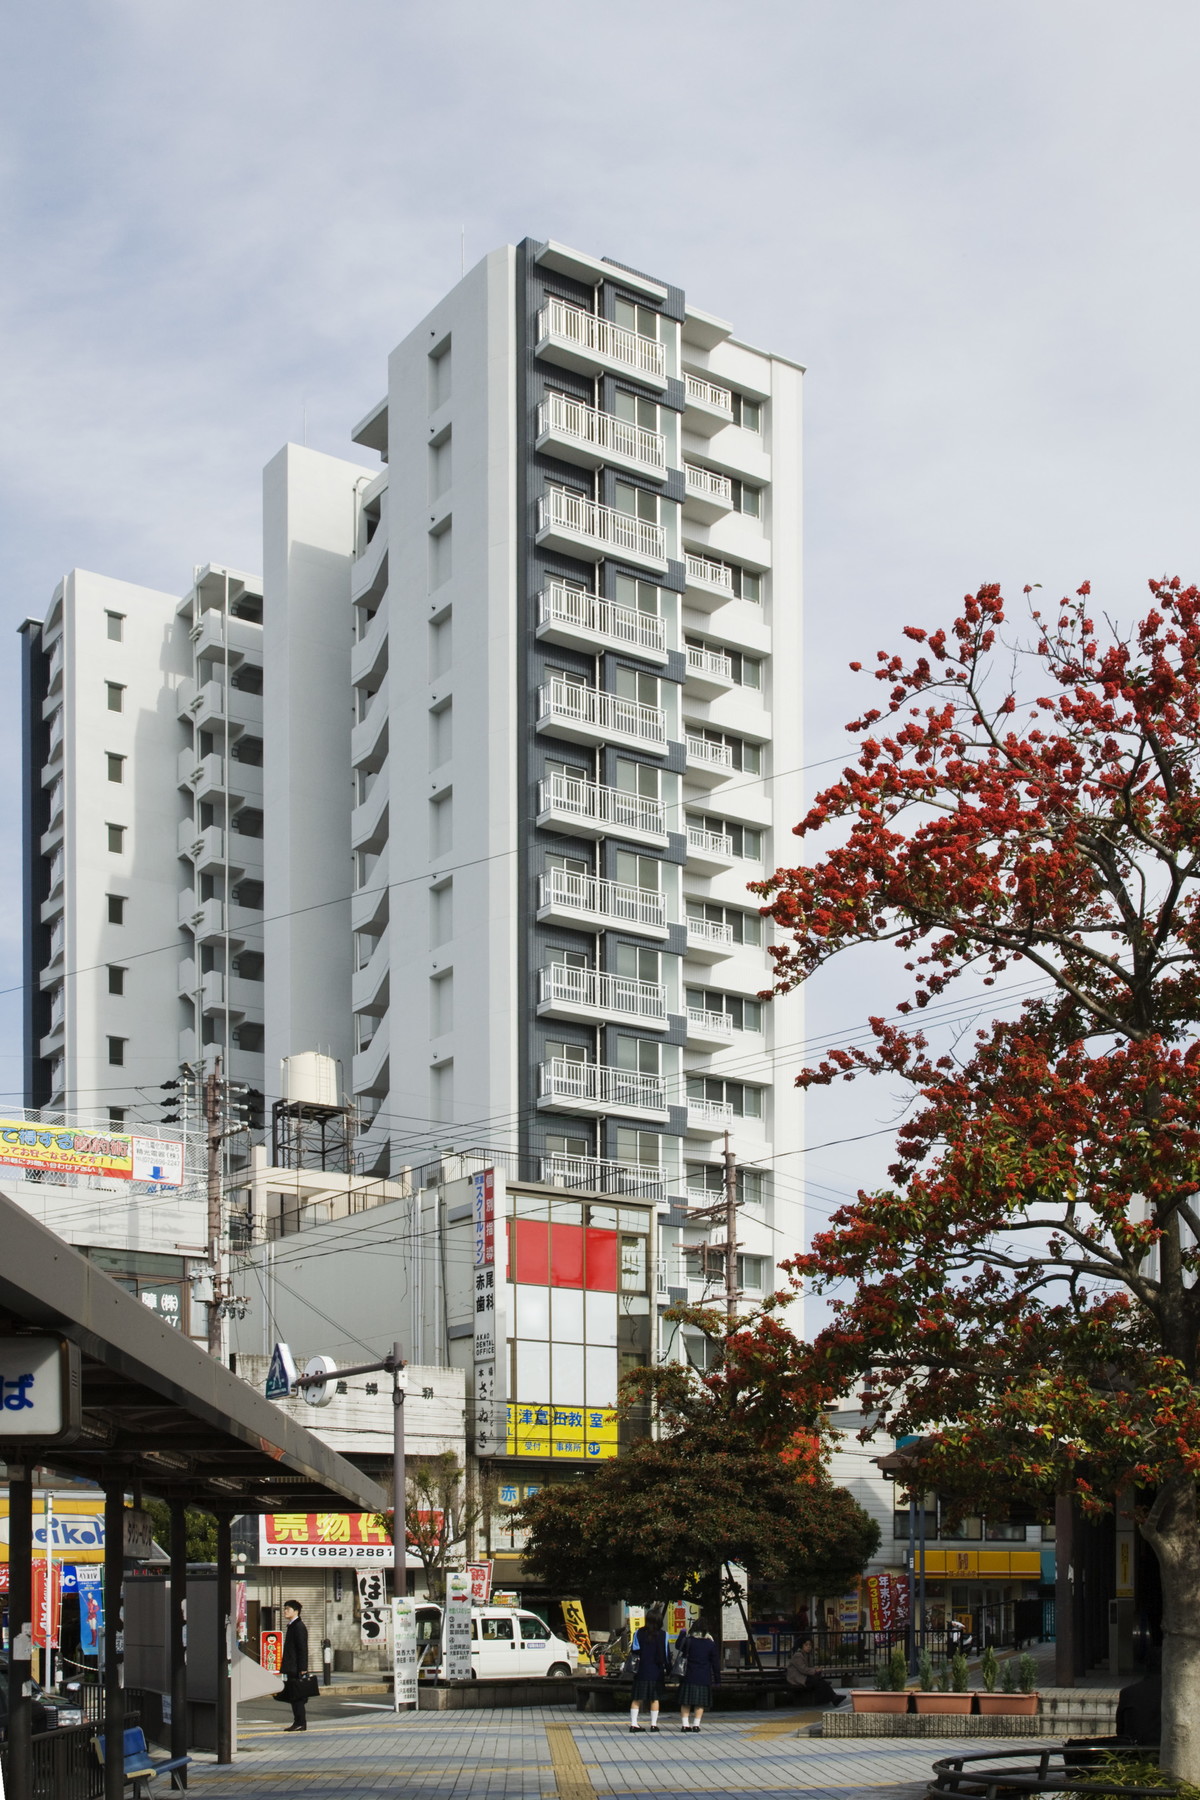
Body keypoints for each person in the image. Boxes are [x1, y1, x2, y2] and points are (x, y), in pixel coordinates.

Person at [677, 1619, 719, 1732]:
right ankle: (696, 1725)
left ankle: (685, 1725)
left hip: (688, 1675)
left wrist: (682, 1633)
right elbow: (715, 1663)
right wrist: (717, 1679)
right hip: (703, 1677)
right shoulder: (710, 1643)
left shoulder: (688, 1640)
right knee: (700, 1703)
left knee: (686, 1702)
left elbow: (677, 1646)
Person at [629, 1611, 668, 1732]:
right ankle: (653, 1724)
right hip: (656, 1671)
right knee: (654, 1699)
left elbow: (634, 1650)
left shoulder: (639, 1632)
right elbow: (666, 1655)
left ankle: (634, 1724)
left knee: (637, 1698)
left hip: (641, 1670)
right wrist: (669, 1670)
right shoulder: (663, 1634)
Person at [785, 1638, 844, 1708]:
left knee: (822, 1682)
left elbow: (809, 1668)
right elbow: (803, 1669)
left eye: (810, 1645)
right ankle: (834, 1698)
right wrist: (815, 1671)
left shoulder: (808, 1655)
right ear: (802, 1646)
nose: (808, 1646)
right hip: (797, 1678)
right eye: (806, 1645)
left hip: (805, 1677)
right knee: (819, 1682)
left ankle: (834, 1698)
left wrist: (816, 1670)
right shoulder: (798, 1655)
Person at [280, 1599, 310, 1731]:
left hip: (296, 1668)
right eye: (284, 1608)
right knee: (294, 1695)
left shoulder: (298, 1626)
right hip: (292, 1667)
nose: (285, 1611)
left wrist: (303, 1668)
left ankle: (300, 1723)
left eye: (288, 1609)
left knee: (297, 1696)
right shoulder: (292, 1626)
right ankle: (298, 1722)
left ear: (296, 1611)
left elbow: (302, 1649)